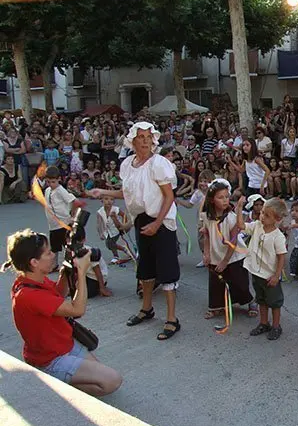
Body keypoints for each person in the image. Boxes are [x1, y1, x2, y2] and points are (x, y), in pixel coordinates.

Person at [89, 122, 181, 341]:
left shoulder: (159, 164)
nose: (146, 140)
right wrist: (103, 191)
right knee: (146, 268)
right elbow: (128, 192)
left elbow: (169, 196)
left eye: (149, 136)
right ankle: (147, 308)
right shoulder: (128, 164)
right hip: (141, 220)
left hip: (161, 221)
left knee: (167, 271)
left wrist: (158, 223)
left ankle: (172, 319)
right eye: (141, 137)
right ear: (133, 140)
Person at [5, 229, 122, 396]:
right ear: (34, 262)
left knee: (101, 373)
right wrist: (81, 272)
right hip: (50, 359)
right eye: (48, 253)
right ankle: (53, 382)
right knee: (112, 380)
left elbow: (58, 295)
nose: (53, 255)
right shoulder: (28, 295)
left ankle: (63, 379)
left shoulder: (31, 280)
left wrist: (66, 272)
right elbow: (77, 309)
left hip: (64, 344)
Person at [201, 179, 254, 320]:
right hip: (215, 254)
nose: (225, 200)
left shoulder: (231, 218)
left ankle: (250, 301)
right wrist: (206, 254)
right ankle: (216, 306)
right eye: (220, 197)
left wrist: (225, 261)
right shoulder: (207, 217)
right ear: (212, 200)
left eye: (226, 196)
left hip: (233, 256)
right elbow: (206, 234)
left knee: (239, 281)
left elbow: (233, 241)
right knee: (216, 282)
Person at [237, 197, 288, 341]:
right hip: (256, 272)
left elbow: (281, 257)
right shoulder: (257, 226)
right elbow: (241, 225)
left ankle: (276, 326)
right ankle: (264, 323)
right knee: (261, 300)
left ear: (277, 218)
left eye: (267, 215)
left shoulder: (278, 237)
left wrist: (276, 275)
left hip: (270, 276)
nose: (262, 216)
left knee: (275, 302)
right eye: (262, 213)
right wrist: (239, 208)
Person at [44, 165, 85, 269]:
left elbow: (73, 201)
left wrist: (72, 214)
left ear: (59, 179)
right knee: (54, 247)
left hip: (63, 223)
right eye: (48, 182)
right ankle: (54, 265)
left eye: (53, 182)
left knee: (68, 246)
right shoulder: (47, 191)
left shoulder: (60, 190)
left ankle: (72, 263)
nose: (51, 184)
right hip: (53, 224)